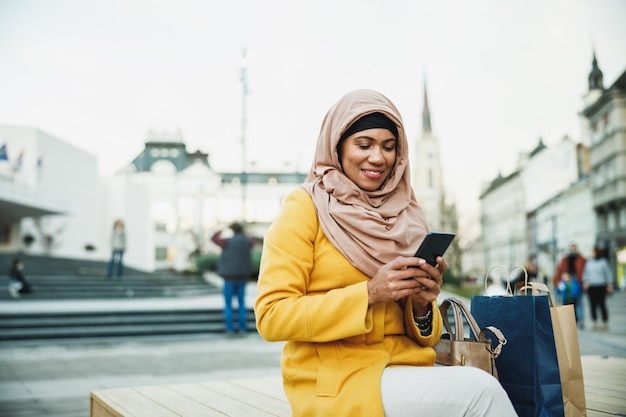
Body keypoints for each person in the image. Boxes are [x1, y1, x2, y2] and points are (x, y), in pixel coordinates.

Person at [254, 89, 516, 417]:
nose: (378, 158)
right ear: (337, 147)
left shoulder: (408, 215)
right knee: (482, 392)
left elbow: (425, 336)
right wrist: (369, 293)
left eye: (389, 147)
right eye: (364, 145)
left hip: (407, 367)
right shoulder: (305, 208)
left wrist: (422, 303)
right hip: (338, 381)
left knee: (480, 387)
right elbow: (271, 316)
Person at [211, 222, 253, 334]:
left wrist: (222, 228)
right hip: (242, 277)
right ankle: (243, 328)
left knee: (228, 305)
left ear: (232, 230)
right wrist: (244, 232)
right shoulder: (246, 241)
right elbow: (252, 241)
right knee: (241, 304)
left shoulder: (226, 242)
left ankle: (230, 328)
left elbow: (213, 238)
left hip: (229, 277)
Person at [554, 243, 586, 324]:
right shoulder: (565, 259)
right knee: (565, 300)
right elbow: (559, 269)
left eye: (574, 248)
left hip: (577, 282)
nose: (573, 250)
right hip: (566, 280)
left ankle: (580, 319)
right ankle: (566, 318)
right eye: (571, 248)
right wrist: (557, 280)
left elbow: (584, 271)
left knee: (578, 301)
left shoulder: (581, 259)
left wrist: (584, 281)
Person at [583, 247, 613, 330]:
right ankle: (594, 321)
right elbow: (585, 273)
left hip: (601, 285)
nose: (592, 254)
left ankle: (604, 322)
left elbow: (608, 273)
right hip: (591, 286)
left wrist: (609, 284)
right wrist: (586, 281)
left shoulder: (603, 262)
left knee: (602, 304)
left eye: (593, 252)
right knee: (592, 305)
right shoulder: (588, 263)